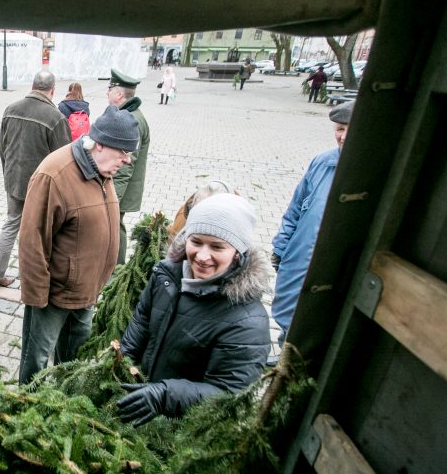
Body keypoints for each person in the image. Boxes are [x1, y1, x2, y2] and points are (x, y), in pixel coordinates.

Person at [116, 193, 270, 425]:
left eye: (217, 246)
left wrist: (165, 396)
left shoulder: (248, 320)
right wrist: (120, 364)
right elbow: (141, 323)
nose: (202, 256)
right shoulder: (166, 276)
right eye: (196, 241)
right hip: (142, 405)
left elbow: (229, 394)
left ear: (238, 252)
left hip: (185, 428)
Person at [18, 106, 139, 385]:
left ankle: (65, 399)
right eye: (123, 152)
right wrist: (37, 298)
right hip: (54, 296)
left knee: (74, 358)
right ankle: (26, 402)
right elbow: (31, 240)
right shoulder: (54, 174)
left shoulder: (102, 168)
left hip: (87, 291)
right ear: (99, 144)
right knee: (37, 358)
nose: (127, 160)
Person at [271, 101, 354, 343]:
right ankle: (285, 352)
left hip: (333, 267)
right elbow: (296, 207)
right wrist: (281, 246)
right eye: (339, 129)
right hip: (300, 256)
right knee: (288, 310)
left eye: (351, 128)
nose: (343, 136)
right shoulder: (322, 162)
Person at [0, 71, 71, 287]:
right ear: (52, 90)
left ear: (32, 85)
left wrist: (9, 172)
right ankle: (35, 280)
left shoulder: (11, 109)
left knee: (12, 224)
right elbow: (64, 161)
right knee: (39, 231)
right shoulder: (55, 117)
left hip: (13, 179)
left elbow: (2, 147)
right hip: (40, 186)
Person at [106, 69, 151, 265]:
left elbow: (126, 164)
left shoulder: (131, 120)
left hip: (121, 188)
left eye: (109, 89)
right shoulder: (128, 114)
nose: (106, 93)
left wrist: (113, 197)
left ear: (118, 94)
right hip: (122, 186)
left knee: (115, 225)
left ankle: (116, 268)